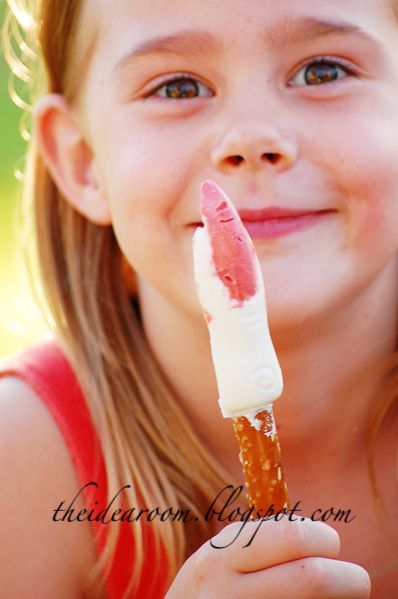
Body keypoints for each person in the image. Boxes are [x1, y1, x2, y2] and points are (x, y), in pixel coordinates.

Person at [2, 0, 398, 596]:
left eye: (323, 71)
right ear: (84, 161)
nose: (253, 138)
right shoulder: (24, 466)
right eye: (178, 86)